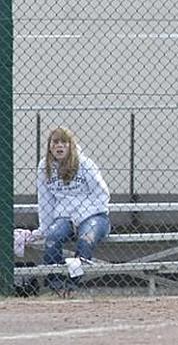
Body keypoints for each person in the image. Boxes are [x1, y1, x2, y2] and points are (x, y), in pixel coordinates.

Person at [37, 127, 111, 297]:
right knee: (52, 238)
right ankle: (55, 285)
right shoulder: (44, 167)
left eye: (64, 142)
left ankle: (73, 285)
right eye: (55, 142)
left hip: (93, 215)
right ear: (50, 146)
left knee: (86, 240)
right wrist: (45, 227)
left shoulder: (85, 164)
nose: (59, 146)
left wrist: (82, 217)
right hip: (64, 216)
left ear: (71, 145)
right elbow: (45, 200)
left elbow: (102, 194)